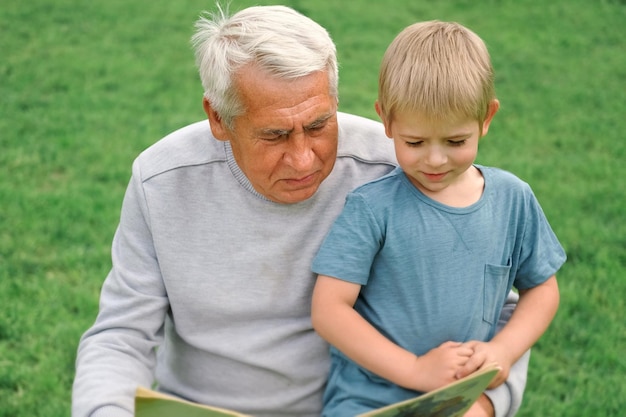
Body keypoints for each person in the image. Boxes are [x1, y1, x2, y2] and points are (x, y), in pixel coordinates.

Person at [72, 6, 529, 417]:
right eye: (273, 135)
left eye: (318, 125)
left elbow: (492, 305)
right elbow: (121, 334)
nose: (304, 159)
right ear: (218, 119)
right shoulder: (161, 181)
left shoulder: (401, 165)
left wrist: (484, 403)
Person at [311, 20, 566, 417]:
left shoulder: (513, 199)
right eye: (414, 142)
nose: (434, 159)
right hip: (367, 402)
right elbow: (329, 310)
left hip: (456, 400)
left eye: (455, 141)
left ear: (487, 117)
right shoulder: (372, 207)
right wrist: (415, 369)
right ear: (387, 120)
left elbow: (543, 290)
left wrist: (503, 349)